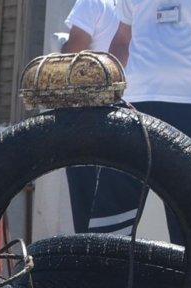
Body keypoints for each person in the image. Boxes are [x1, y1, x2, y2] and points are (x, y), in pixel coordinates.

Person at [85, 0, 191, 242]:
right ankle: (104, 277)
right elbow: (122, 40)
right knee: (110, 217)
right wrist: (106, 95)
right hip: (133, 106)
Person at [60, 0, 121, 232]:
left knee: (86, 200)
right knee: (116, 204)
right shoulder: (137, 6)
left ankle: (88, 262)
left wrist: (61, 49)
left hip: (88, 112)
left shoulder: (93, 2)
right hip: (127, 110)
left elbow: (74, 52)